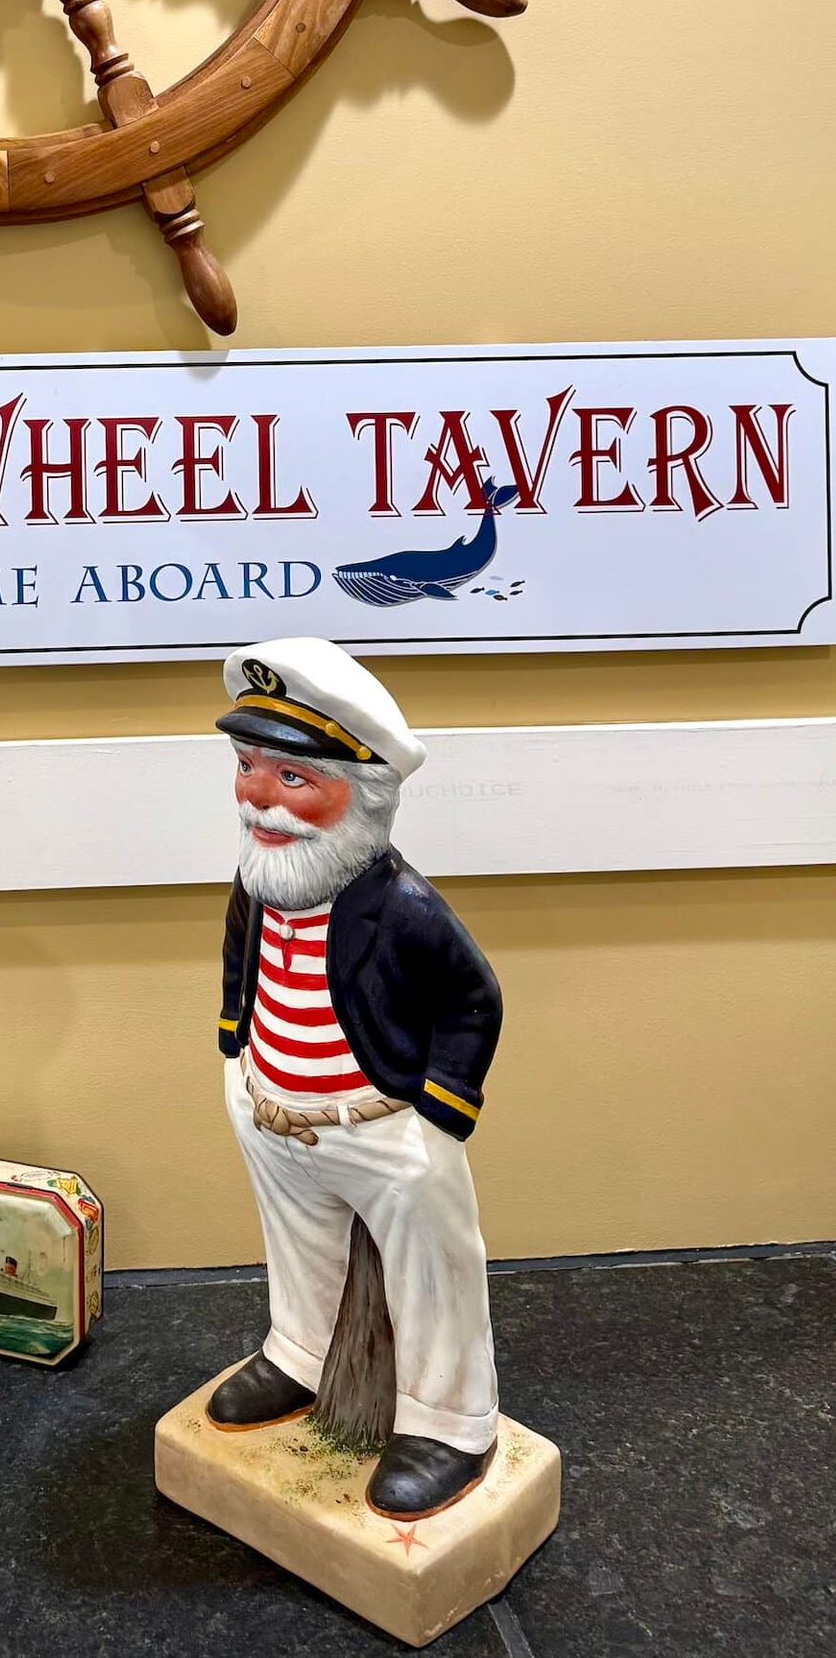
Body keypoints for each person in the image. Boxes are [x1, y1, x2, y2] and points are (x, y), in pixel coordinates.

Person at [209, 637, 503, 1518]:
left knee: (431, 1266)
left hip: (377, 1120)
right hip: (273, 1106)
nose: (258, 796)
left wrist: (440, 1115)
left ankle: (449, 1422)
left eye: (293, 779)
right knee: (298, 1241)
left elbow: (473, 999)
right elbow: (241, 965)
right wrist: (237, 1051)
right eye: (249, 763)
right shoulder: (259, 883)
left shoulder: (404, 907)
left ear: (364, 794)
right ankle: (300, 1353)